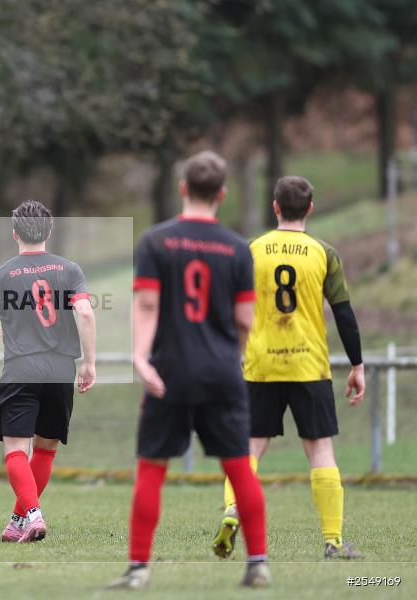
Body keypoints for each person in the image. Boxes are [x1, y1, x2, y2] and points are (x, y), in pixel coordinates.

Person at [108, 151, 268, 589]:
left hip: (169, 371)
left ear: (182, 189)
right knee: (239, 468)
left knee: (152, 469)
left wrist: (141, 357)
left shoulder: (156, 242)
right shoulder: (237, 248)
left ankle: (139, 569)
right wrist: (230, 358)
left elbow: (146, 304)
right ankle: (258, 563)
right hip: (221, 371)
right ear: (222, 194)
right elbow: (245, 320)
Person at [217, 176, 365, 560]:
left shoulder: (252, 250)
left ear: (275, 207)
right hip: (308, 364)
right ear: (310, 209)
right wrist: (357, 364)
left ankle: (233, 509)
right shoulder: (324, 253)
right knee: (320, 451)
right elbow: (344, 315)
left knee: (249, 447)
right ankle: (333, 541)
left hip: (261, 363)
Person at [0, 199, 96, 544]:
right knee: (45, 448)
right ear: (48, 231)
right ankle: (18, 521)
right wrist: (89, 362)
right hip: (60, 368)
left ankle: (32, 515)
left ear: (14, 234)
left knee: (15, 450)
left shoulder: (3, 274)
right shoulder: (69, 269)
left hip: (22, 367)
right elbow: (85, 313)